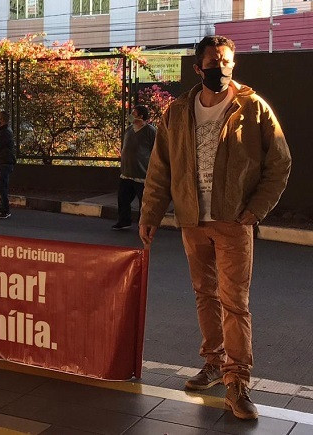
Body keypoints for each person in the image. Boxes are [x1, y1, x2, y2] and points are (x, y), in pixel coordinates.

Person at [139, 36, 291, 420]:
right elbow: (160, 171)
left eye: (226, 61)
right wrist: (150, 215)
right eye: (213, 62)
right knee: (204, 295)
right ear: (198, 68)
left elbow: (279, 163)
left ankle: (238, 382)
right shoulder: (177, 113)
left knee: (235, 303)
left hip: (233, 221)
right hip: (193, 221)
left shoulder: (252, 108)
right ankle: (213, 363)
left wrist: (255, 211)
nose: (221, 68)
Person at [112, 104, 156, 230]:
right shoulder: (129, 129)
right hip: (126, 172)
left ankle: (145, 225)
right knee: (123, 199)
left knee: (144, 202)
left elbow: (155, 150)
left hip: (141, 174)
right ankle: (124, 221)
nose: (131, 115)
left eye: (134, 113)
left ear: (141, 116)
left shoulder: (150, 131)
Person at [0, 110, 16, 219]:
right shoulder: (4, 131)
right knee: (0, 187)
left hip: (5, 163)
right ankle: (1, 208)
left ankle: (5, 210)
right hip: (4, 162)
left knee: (2, 187)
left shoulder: (5, 133)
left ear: (1, 119)